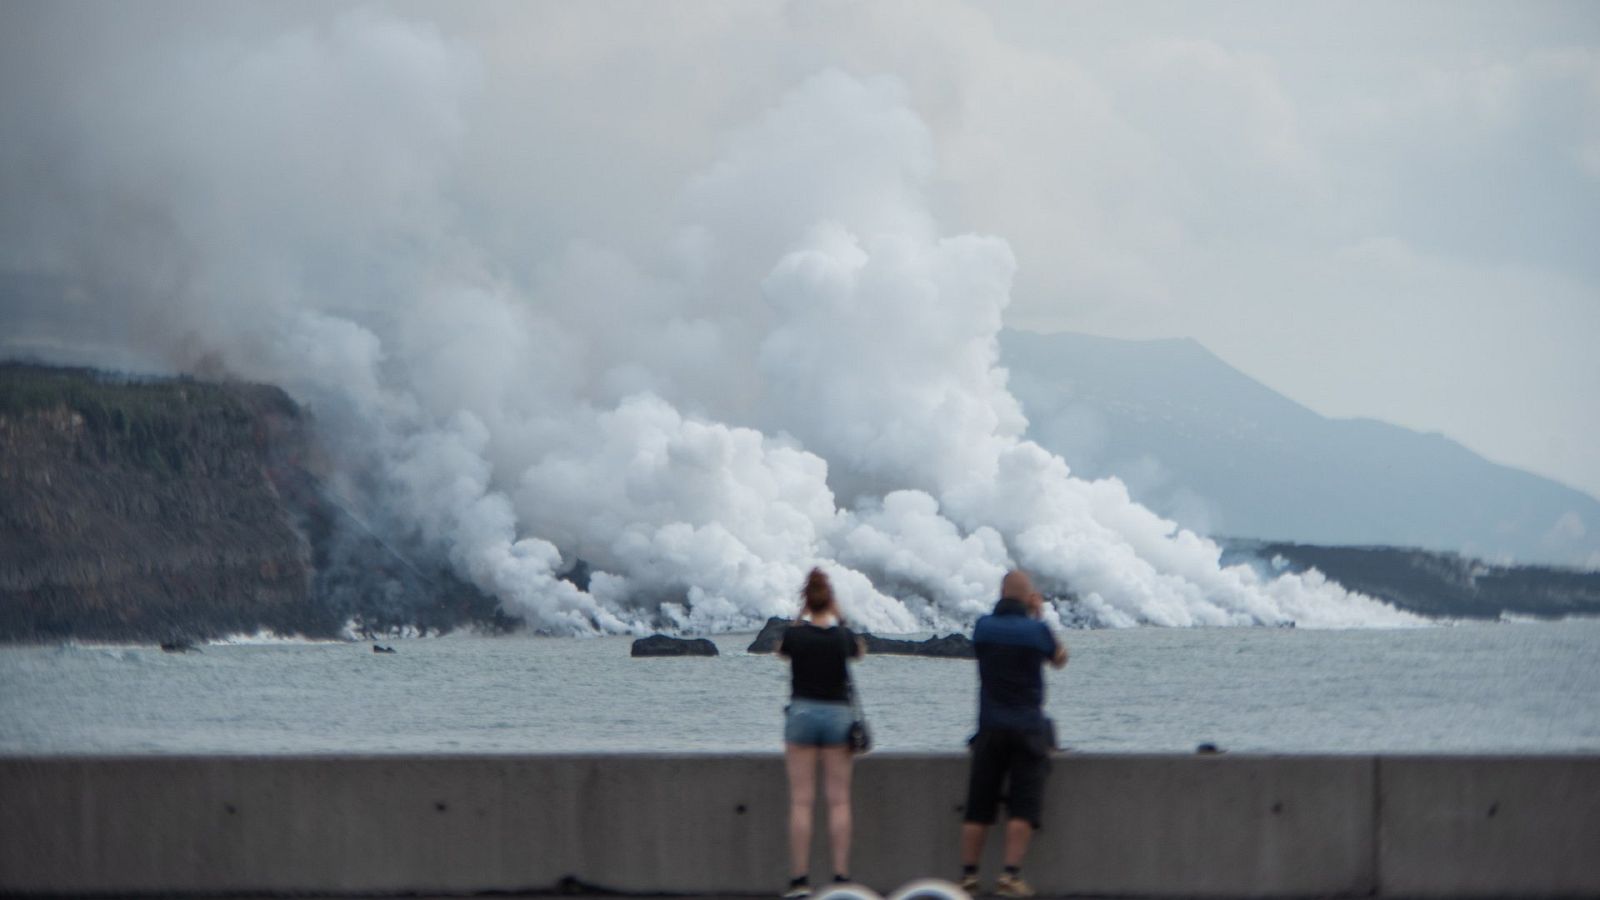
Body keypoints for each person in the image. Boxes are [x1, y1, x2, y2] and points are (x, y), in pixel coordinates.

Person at [958, 571, 1068, 898]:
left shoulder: (984, 628)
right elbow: (1060, 659)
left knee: (979, 804)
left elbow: (985, 644)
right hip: (1028, 728)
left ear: (1001, 593)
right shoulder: (1037, 630)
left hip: (990, 728)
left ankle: (968, 875)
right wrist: (1038, 615)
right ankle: (1009, 875)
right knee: (1023, 804)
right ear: (1028, 596)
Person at [775, 567, 866, 899]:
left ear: (806, 600)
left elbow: (782, 651)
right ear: (831, 599)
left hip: (801, 713)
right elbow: (858, 651)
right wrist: (839, 619)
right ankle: (841, 877)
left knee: (802, 801)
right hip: (838, 716)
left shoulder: (796, 635)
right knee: (839, 801)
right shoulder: (842, 637)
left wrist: (800, 616)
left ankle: (800, 880)